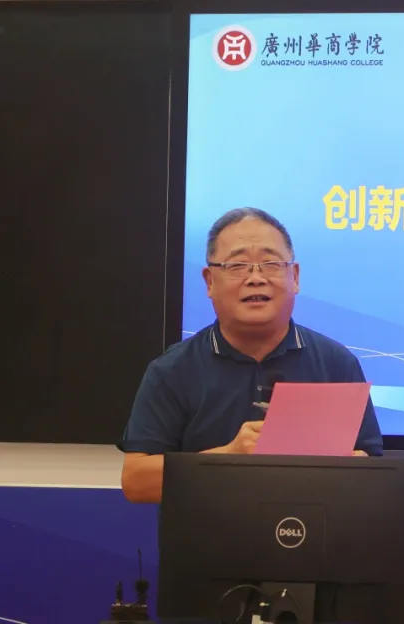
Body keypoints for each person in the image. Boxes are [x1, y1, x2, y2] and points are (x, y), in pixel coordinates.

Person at [119, 207, 382, 504]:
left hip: (312, 531)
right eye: (238, 265)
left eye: (271, 263)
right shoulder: (172, 370)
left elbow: (372, 473)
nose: (256, 278)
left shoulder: (336, 364)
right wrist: (229, 457)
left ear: (294, 277)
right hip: (210, 534)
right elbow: (137, 482)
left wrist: (351, 466)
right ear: (209, 281)